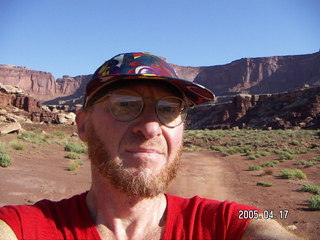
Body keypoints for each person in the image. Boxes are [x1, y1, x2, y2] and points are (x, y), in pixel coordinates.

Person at [0, 52, 301, 240]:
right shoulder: (27, 227)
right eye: (126, 104)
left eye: (169, 109)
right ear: (82, 125)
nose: (151, 127)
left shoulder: (222, 223)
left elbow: (262, 224)